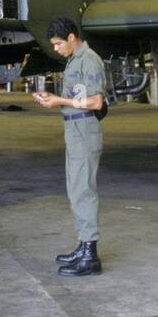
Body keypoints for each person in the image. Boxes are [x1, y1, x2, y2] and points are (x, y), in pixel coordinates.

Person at [33, 17, 105, 276]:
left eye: (57, 44)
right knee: (76, 189)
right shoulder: (75, 60)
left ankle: (90, 256)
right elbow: (78, 98)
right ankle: (83, 245)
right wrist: (53, 100)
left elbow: (97, 102)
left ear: (72, 38)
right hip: (75, 129)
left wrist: (59, 100)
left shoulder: (89, 60)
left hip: (84, 130)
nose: (55, 49)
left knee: (83, 190)